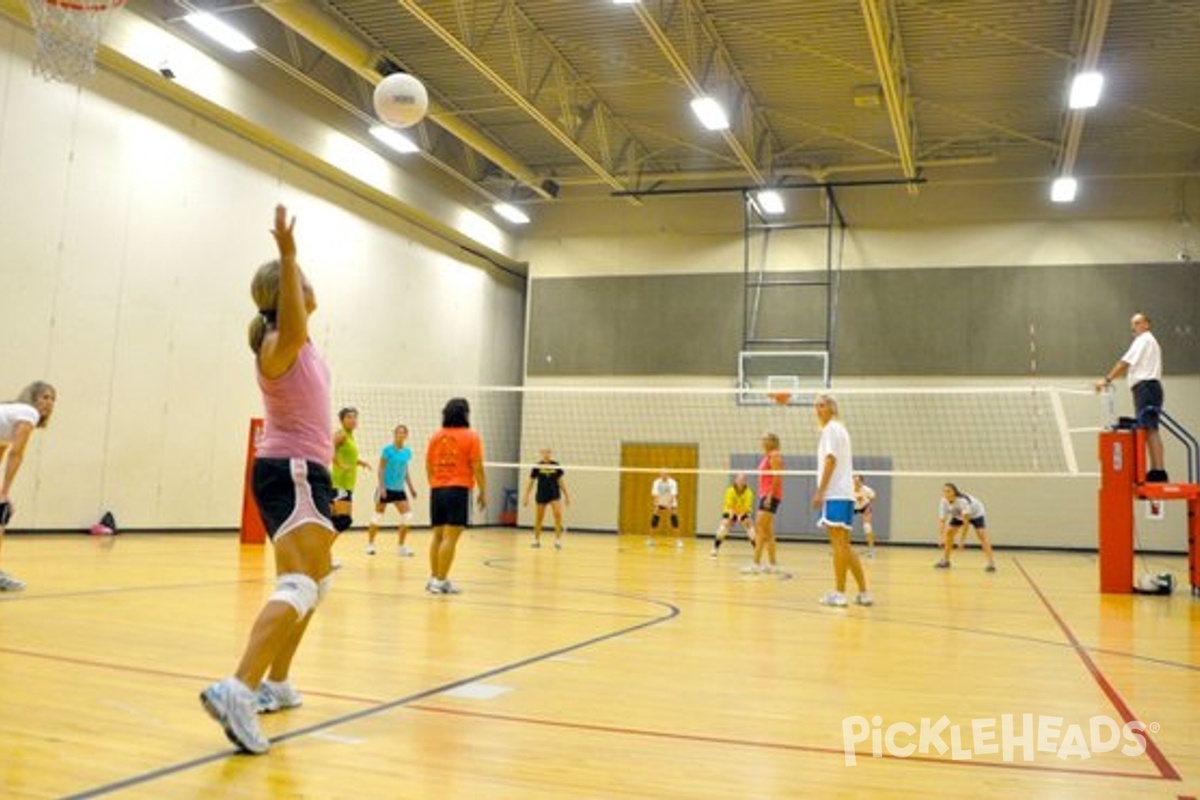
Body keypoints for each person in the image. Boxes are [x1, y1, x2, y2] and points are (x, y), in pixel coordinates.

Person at [199, 205, 337, 756]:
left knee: (315, 584)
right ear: (286, 297)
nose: (310, 287)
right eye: (301, 285)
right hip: (294, 471)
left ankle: (276, 683)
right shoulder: (281, 343)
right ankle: (238, 689)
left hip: (307, 471)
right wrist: (287, 254)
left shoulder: (296, 344)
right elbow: (292, 305)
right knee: (301, 585)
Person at [812, 395, 871, 607]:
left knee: (838, 546)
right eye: (816, 406)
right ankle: (864, 593)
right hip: (844, 494)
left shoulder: (830, 430)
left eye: (821, 405)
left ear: (832, 408)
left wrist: (820, 491)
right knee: (844, 546)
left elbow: (831, 460)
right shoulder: (841, 430)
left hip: (835, 493)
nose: (817, 410)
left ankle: (839, 593)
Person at [1095, 312, 1167, 482]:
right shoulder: (1147, 341)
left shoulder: (1144, 340)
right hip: (1145, 388)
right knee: (1149, 429)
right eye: (1132, 323)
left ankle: (1158, 471)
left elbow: (1124, 363)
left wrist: (1106, 380)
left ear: (1147, 324)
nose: (1133, 326)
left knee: (1150, 429)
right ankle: (1157, 470)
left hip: (1146, 387)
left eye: (1137, 322)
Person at [0, 381, 57, 591]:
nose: (49, 403)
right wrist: (5, 492)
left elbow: (2, 452)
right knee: (1, 511)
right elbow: (16, 454)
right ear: (32, 399)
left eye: (53, 399)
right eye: (45, 397)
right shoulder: (28, 413)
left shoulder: (9, 416)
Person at [425, 397, 486, 594]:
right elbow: (477, 467)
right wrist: (483, 491)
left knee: (438, 536)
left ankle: (435, 578)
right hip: (458, 489)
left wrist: (435, 484)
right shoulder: (471, 436)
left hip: (437, 489)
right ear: (465, 414)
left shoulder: (436, 436)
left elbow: (428, 465)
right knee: (450, 538)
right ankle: (441, 581)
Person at [365, 424, 418, 556]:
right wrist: (382, 486)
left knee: (407, 517)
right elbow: (381, 469)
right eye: (398, 432)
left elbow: (405, 471)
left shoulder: (407, 452)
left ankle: (401, 547)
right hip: (386, 488)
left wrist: (411, 488)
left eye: (403, 433)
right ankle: (370, 544)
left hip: (399, 490)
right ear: (394, 434)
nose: (400, 435)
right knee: (377, 517)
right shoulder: (387, 450)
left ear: (406, 435)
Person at [743, 433, 783, 574]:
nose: (762, 441)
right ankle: (773, 565)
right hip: (766, 495)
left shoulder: (774, 455)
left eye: (766, 439)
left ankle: (755, 564)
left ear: (772, 441)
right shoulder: (768, 455)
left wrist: (769, 495)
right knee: (768, 532)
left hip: (770, 496)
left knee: (759, 529)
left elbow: (777, 477)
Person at [934, 483, 997, 572]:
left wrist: (962, 541)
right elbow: (942, 521)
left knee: (981, 535)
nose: (946, 493)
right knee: (949, 533)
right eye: (944, 491)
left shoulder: (962, 501)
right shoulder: (943, 501)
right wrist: (941, 538)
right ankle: (945, 561)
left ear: (954, 492)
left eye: (948, 491)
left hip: (976, 513)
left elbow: (966, 523)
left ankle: (991, 563)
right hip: (959, 515)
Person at [330, 407, 372, 534]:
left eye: (354, 417)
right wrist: (340, 465)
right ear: (342, 420)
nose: (353, 420)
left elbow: (347, 456)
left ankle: (320, 551)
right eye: (349, 417)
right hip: (340, 483)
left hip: (347, 484)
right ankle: (322, 551)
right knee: (343, 521)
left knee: (335, 520)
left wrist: (359, 462)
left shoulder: (350, 436)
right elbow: (329, 451)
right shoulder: (341, 434)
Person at [523, 447, 570, 549]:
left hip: (554, 493)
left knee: (558, 515)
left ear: (551, 453)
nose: (546, 454)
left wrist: (566, 495)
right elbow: (531, 482)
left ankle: (558, 541)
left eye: (548, 452)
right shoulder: (537, 466)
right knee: (539, 518)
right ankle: (536, 540)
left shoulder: (555, 465)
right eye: (544, 452)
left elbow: (560, 481)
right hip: (542, 494)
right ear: (541, 453)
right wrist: (526, 496)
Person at [711, 472, 755, 557]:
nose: (741, 481)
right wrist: (733, 515)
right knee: (725, 524)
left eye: (743, 480)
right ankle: (715, 548)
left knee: (748, 523)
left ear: (746, 482)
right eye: (739, 479)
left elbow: (747, 507)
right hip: (731, 511)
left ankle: (756, 549)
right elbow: (729, 506)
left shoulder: (749, 492)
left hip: (743, 511)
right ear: (736, 480)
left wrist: (741, 515)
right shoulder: (730, 491)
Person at [647, 469, 680, 547]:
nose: (664, 475)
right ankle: (651, 540)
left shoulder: (673, 482)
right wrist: (657, 504)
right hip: (660, 501)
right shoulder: (656, 482)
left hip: (670, 502)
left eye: (665, 474)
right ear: (660, 474)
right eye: (662, 474)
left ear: (668, 474)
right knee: (655, 518)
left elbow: (673, 494)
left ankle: (678, 540)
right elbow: (655, 494)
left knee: (674, 519)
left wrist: (669, 504)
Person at [853, 474, 877, 557]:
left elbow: (873, 497)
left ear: (861, 482)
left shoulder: (867, 490)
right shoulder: (849, 490)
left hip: (865, 506)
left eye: (857, 481)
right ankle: (841, 549)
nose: (855, 482)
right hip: (853, 507)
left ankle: (872, 550)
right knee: (843, 526)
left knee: (867, 527)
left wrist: (869, 507)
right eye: (854, 480)